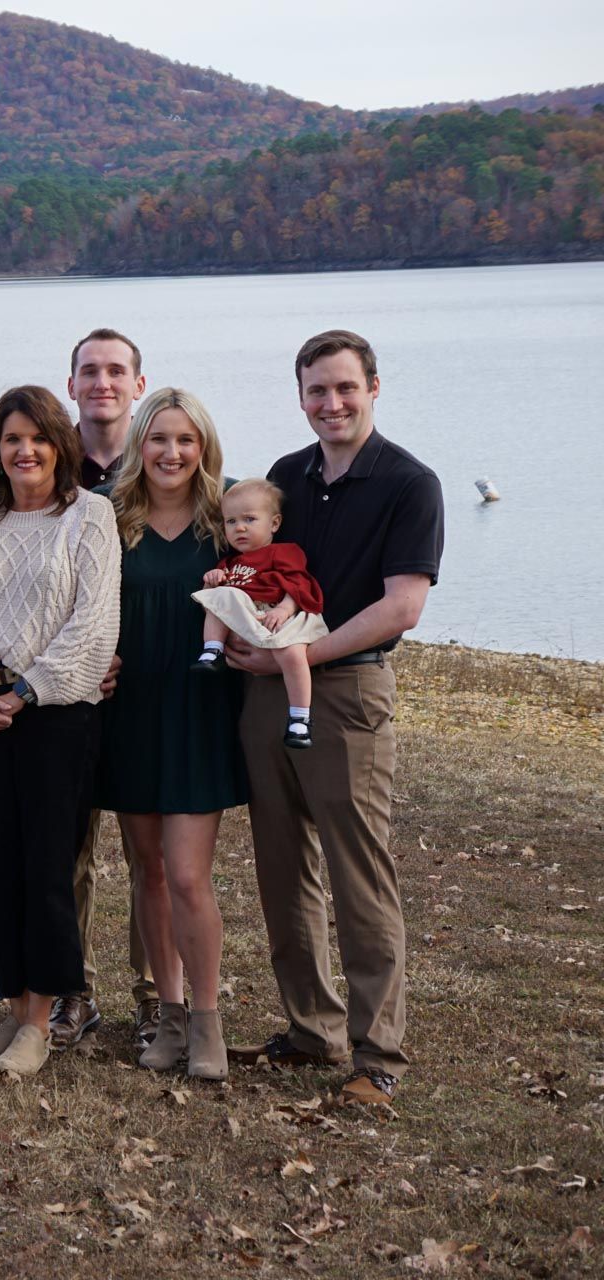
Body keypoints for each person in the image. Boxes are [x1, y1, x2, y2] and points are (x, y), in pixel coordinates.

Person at [227, 330, 443, 1107]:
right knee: (282, 867)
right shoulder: (285, 478)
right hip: (266, 691)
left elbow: (403, 607)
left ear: (374, 388)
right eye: (317, 390)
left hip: (347, 693)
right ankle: (310, 1028)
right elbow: (256, 573)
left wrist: (304, 657)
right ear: (301, 397)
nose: (332, 403)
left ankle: (378, 1053)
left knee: (360, 874)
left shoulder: (409, 483)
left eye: (345, 388)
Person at [0, 386, 121, 1077]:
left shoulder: (89, 517)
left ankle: (40, 1024)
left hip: (56, 718)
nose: (25, 450)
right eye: (12, 438)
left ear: (60, 445)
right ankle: (15, 1011)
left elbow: (94, 623)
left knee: (46, 868)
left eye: (38, 438)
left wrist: (25, 689)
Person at [92, 388, 246, 1081]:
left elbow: (277, 594)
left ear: (204, 447)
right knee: (146, 871)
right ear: (138, 446)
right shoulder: (109, 518)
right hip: (130, 711)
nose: (171, 453)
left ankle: (209, 1023)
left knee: (188, 875)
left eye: (185, 440)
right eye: (158, 439)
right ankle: (169, 1012)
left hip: (200, 710)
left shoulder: (227, 522)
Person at [63, 327, 157, 1051]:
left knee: (151, 853)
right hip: (67, 689)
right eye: (89, 371)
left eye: (115, 371)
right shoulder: (46, 463)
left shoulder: (163, 462)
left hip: (146, 687)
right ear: (72, 385)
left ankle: (156, 994)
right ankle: (73, 989)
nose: (102, 382)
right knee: (68, 850)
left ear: (137, 383)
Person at [192, 480, 329, 748]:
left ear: (274, 523)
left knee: (290, 653)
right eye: (230, 522)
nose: (239, 527)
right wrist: (213, 580)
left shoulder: (283, 552)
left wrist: (284, 608)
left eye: (250, 519)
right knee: (220, 596)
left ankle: (300, 718)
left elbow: (299, 584)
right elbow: (217, 601)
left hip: (278, 613)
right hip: (249, 618)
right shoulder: (230, 563)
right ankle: (212, 651)